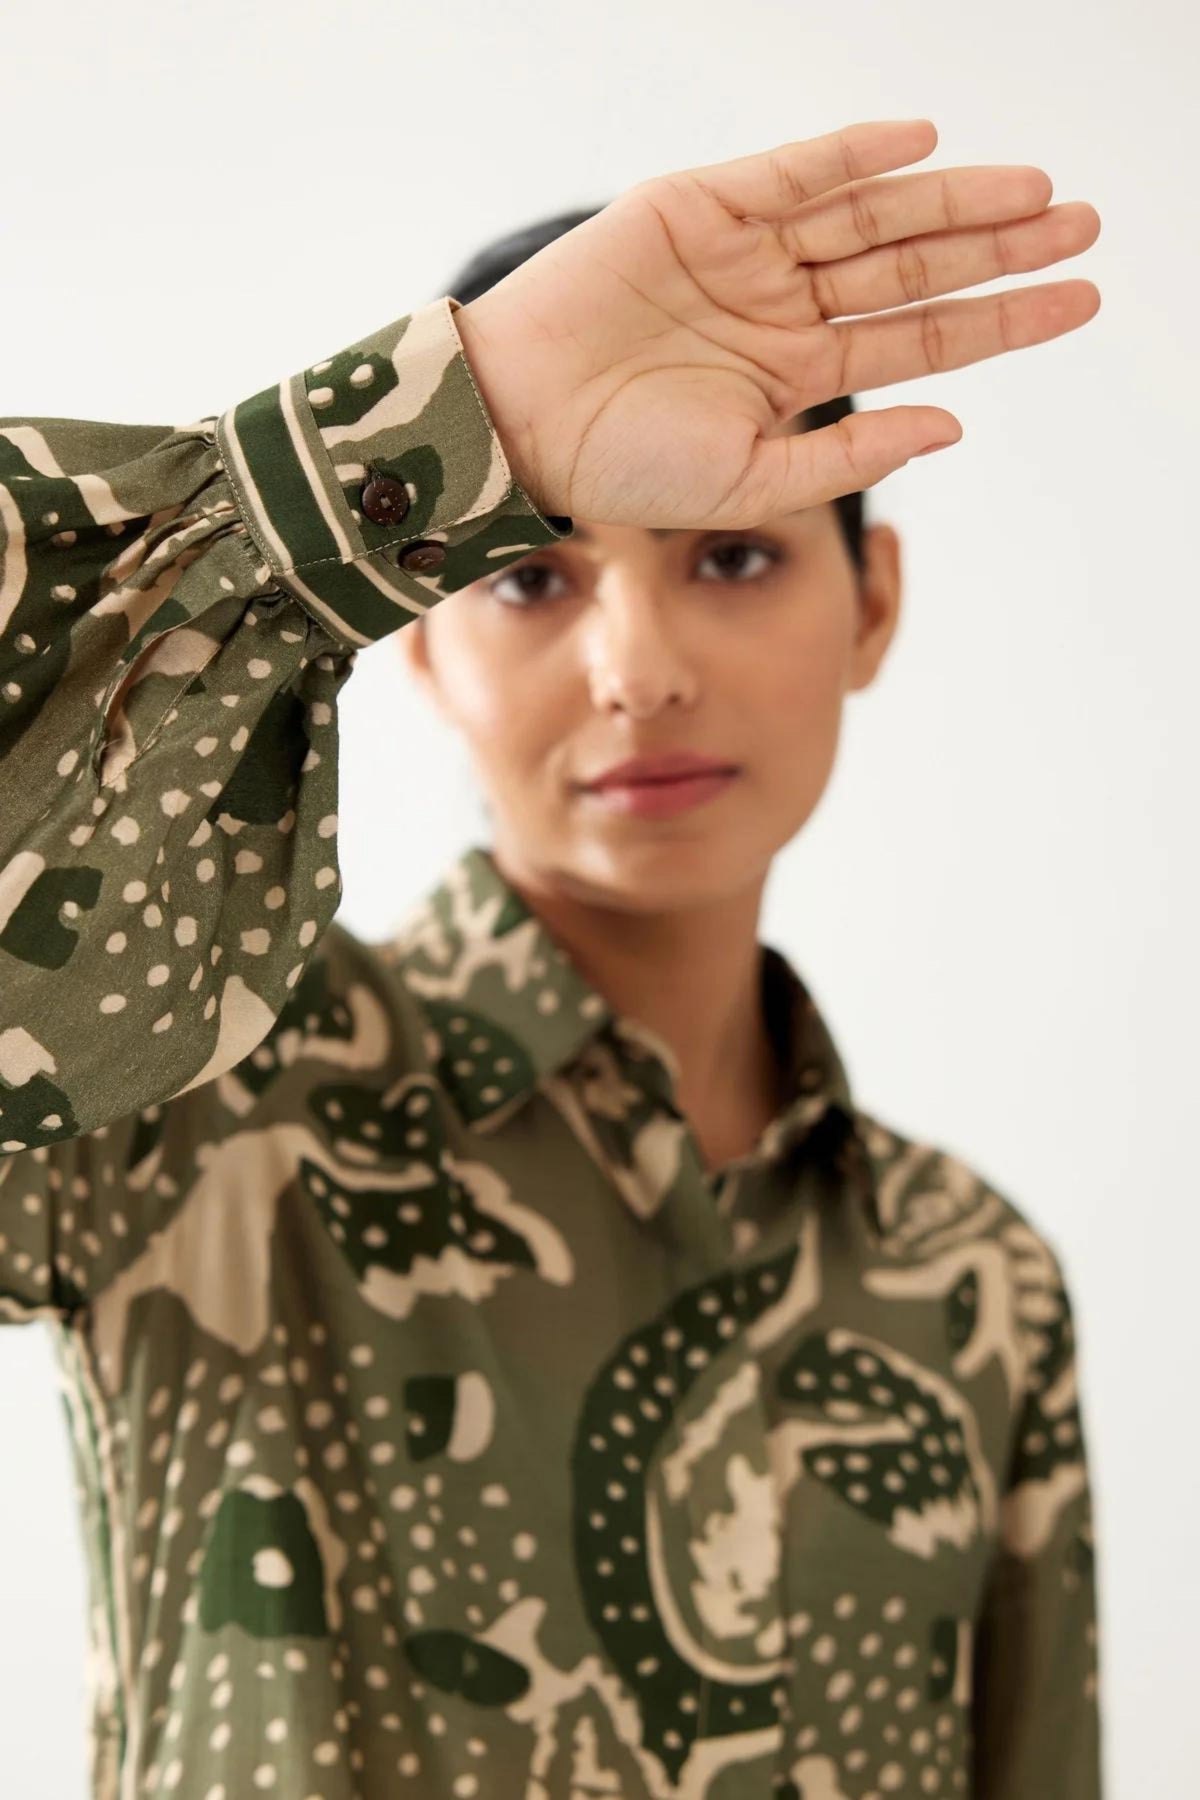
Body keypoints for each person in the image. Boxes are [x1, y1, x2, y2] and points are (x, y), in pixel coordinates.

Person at [0, 120, 1104, 1799]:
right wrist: (438, 443)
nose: (636, 671)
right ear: (420, 648)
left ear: (872, 601)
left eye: (732, 559)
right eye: (530, 579)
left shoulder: (974, 1281)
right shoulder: (201, 1091)